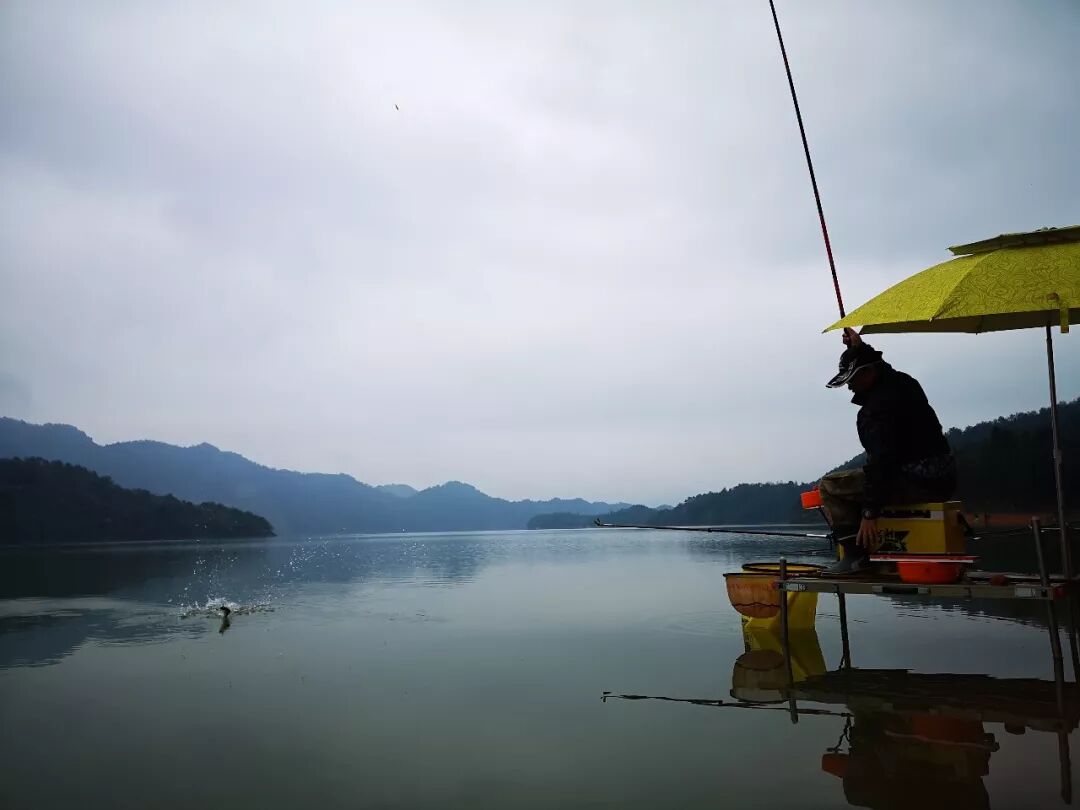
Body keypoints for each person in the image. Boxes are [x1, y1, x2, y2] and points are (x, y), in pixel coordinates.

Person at [820, 328, 956, 574]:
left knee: (829, 486)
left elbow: (883, 463)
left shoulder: (876, 410)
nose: (850, 385)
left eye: (853, 378)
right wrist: (860, 349)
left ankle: (855, 556)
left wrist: (870, 512)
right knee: (864, 483)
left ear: (869, 373)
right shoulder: (905, 383)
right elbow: (886, 370)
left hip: (914, 480)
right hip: (943, 477)